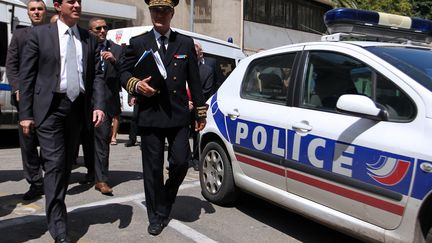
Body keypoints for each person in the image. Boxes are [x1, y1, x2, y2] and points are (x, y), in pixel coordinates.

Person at [18, 0, 105, 241]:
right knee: (55, 163)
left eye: (79, 1)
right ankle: (59, 226)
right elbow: (27, 76)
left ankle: (56, 202)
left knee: (66, 165)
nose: (76, 5)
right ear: (58, 5)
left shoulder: (88, 38)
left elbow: (96, 75)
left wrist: (98, 105)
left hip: (77, 109)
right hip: (49, 108)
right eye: (71, 1)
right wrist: (25, 114)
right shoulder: (39, 35)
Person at [119, 0, 207, 236]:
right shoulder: (139, 43)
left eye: (164, 10)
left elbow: (194, 81)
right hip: (150, 115)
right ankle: (156, 216)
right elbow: (123, 71)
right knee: (153, 169)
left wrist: (199, 111)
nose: (159, 14)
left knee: (180, 162)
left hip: (178, 115)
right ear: (150, 12)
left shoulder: (184, 43)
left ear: (172, 13)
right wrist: (135, 85)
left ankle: (166, 197)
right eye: (155, 10)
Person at [5, 0, 46, 201]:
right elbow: (11, 65)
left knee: (50, 140)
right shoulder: (20, 35)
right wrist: (17, 87)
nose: (36, 12)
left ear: (45, 12)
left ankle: (51, 176)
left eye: (39, 9)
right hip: (26, 99)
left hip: (48, 97)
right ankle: (36, 182)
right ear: (28, 13)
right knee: (28, 143)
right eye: (33, 9)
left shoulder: (53, 32)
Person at [87, 17, 122, 194]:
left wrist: (114, 61)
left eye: (105, 28)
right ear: (90, 31)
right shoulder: (84, 47)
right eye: (98, 28)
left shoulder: (117, 49)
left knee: (102, 141)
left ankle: (101, 180)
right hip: (83, 102)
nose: (102, 31)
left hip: (106, 102)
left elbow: (125, 73)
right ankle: (89, 171)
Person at [189, 41, 214, 170]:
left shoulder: (207, 70)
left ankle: (196, 159)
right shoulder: (183, 65)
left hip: (198, 106)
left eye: (195, 52)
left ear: (201, 54)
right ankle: (184, 159)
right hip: (183, 105)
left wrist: (194, 102)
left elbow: (207, 90)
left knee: (197, 134)